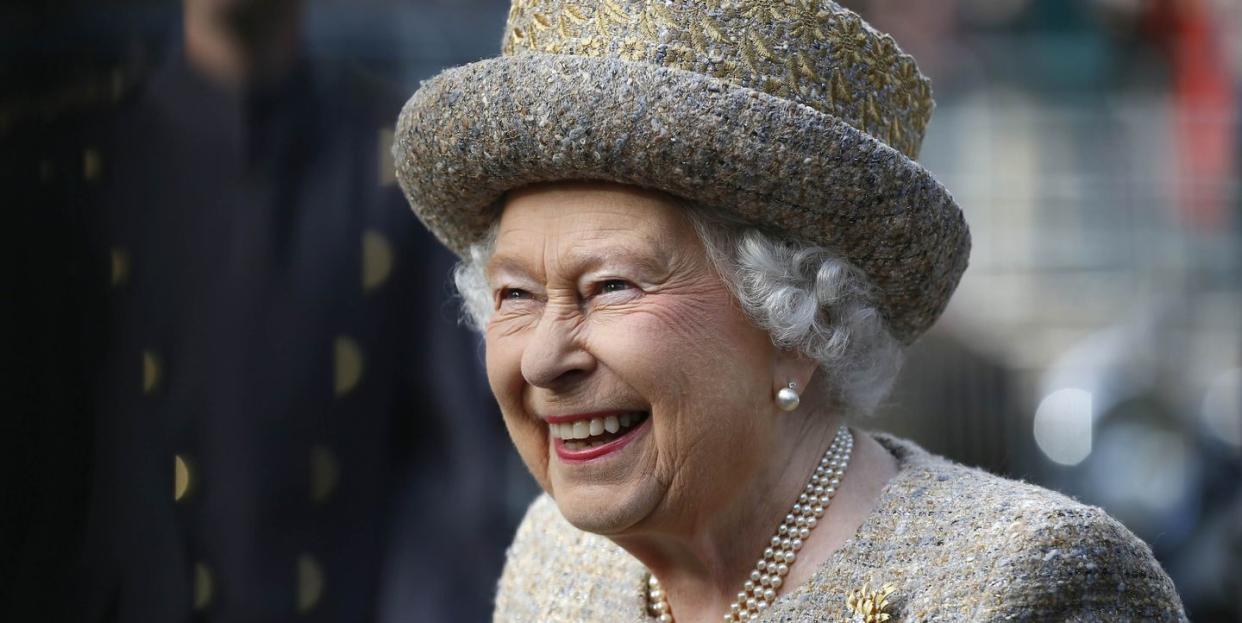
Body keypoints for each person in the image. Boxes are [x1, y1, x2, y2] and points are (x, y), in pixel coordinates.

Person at [391, 0, 1189, 621]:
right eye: (515, 295)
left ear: (798, 326)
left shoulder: (1030, 586)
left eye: (610, 286)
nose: (541, 358)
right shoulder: (556, 564)